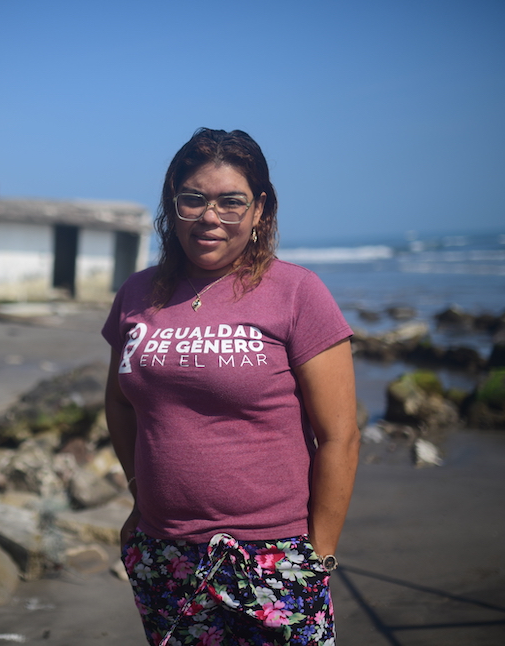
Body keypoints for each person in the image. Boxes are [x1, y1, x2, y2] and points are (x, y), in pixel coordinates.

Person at [102, 128, 360, 645]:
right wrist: (137, 497)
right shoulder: (137, 293)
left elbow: (340, 436)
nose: (209, 217)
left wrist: (319, 555)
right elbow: (120, 404)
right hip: (165, 554)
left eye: (231, 201)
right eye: (193, 199)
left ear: (260, 209)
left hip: (274, 554)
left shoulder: (297, 293)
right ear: (172, 204)